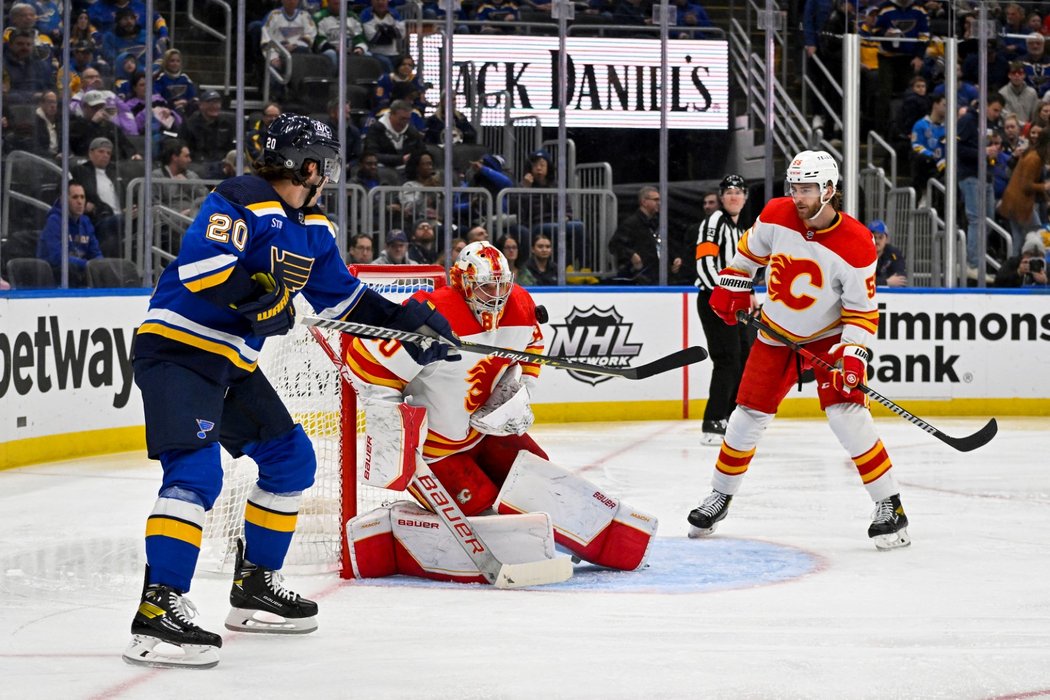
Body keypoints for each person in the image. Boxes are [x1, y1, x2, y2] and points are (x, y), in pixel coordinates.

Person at [123, 113, 460, 669]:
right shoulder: (241, 197)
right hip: (179, 353)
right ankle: (158, 607)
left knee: (290, 460)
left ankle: (254, 584)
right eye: (325, 164)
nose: (328, 175)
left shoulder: (315, 230)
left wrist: (407, 325)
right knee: (196, 473)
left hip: (232, 365)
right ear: (309, 164)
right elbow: (204, 268)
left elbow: (344, 302)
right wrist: (263, 295)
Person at [343, 241, 657, 582]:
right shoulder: (429, 315)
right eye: (485, 286)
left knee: (543, 482)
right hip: (436, 453)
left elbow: (534, 347)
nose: (495, 295)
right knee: (488, 515)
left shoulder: (520, 303)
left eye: (500, 285)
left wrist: (519, 386)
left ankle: (604, 539)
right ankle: (402, 544)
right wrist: (393, 428)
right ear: (462, 282)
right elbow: (362, 363)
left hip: (488, 432)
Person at [687, 149, 911, 551]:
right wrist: (731, 289)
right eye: (794, 187)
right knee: (746, 417)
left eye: (807, 188)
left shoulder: (858, 242)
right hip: (775, 333)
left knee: (848, 417)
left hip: (827, 338)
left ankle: (889, 505)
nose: (798, 196)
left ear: (829, 189)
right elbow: (745, 261)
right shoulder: (775, 213)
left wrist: (853, 357)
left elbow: (862, 312)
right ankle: (720, 495)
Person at [693, 174, 753, 446]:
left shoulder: (742, 230)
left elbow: (744, 270)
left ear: (745, 197)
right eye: (728, 192)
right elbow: (705, 263)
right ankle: (714, 420)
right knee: (727, 359)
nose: (733, 196)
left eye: (738, 192)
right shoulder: (714, 222)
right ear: (721, 196)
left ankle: (729, 417)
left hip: (735, 305)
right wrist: (723, 296)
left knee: (743, 358)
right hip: (714, 300)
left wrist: (749, 296)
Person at [957, 93, 1004, 277]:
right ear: (985, 106)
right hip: (970, 176)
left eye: (999, 111)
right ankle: (972, 263)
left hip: (987, 176)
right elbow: (958, 147)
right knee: (977, 219)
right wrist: (982, 151)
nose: (996, 114)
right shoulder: (968, 120)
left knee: (989, 221)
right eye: (994, 110)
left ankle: (977, 260)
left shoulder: (992, 125)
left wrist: (994, 150)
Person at [608, 185, 681, 285]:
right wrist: (632, 255)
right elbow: (614, 244)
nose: (659, 203)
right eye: (655, 200)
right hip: (642, 278)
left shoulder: (658, 222)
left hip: (662, 277)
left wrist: (675, 258)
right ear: (644, 202)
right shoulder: (631, 223)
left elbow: (667, 244)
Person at [36, 181, 102, 287]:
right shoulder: (54, 221)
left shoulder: (86, 222)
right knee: (71, 269)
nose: (80, 202)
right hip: (54, 276)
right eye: (75, 197)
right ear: (63, 200)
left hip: (80, 270)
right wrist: (87, 265)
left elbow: (96, 253)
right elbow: (56, 258)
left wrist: (100, 265)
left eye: (82, 197)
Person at [998, 129, 1050, 256]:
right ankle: (1019, 267)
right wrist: (1045, 186)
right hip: (1019, 203)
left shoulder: (1033, 154)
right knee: (1036, 232)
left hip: (1015, 201)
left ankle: (1012, 268)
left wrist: (1046, 197)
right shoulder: (1034, 159)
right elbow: (1026, 185)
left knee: (1019, 239)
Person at [178, 90, 237, 179]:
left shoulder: (228, 123)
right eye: (210, 103)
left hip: (223, 162)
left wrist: (228, 161)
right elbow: (184, 148)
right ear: (200, 105)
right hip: (198, 163)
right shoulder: (189, 124)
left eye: (217, 103)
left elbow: (232, 147)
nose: (214, 106)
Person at [870, 220, 907, 287]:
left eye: (880, 237)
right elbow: (861, 281)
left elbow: (901, 279)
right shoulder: (862, 255)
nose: (877, 241)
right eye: (873, 238)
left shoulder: (894, 253)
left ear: (886, 239)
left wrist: (877, 281)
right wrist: (886, 282)